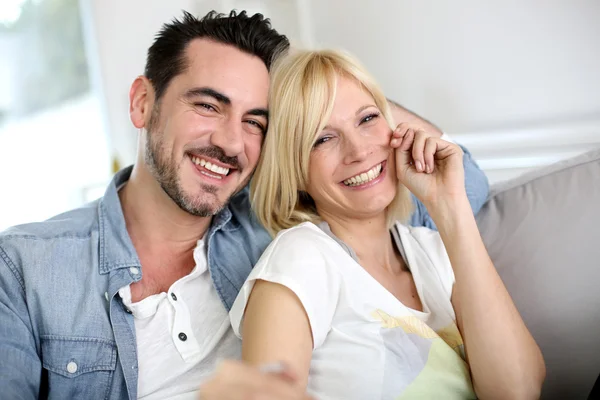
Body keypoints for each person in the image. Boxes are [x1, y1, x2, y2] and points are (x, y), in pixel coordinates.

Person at [0, 11, 488, 400]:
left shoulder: (280, 219)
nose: (231, 142)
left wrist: (308, 81)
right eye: (209, 105)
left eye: (255, 121)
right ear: (142, 103)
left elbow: (466, 182)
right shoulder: (25, 267)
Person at [228, 49, 545, 399]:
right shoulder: (299, 260)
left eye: (367, 119)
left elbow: (518, 390)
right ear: (296, 171)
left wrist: (450, 207)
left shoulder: (432, 249)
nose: (359, 151)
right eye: (323, 138)